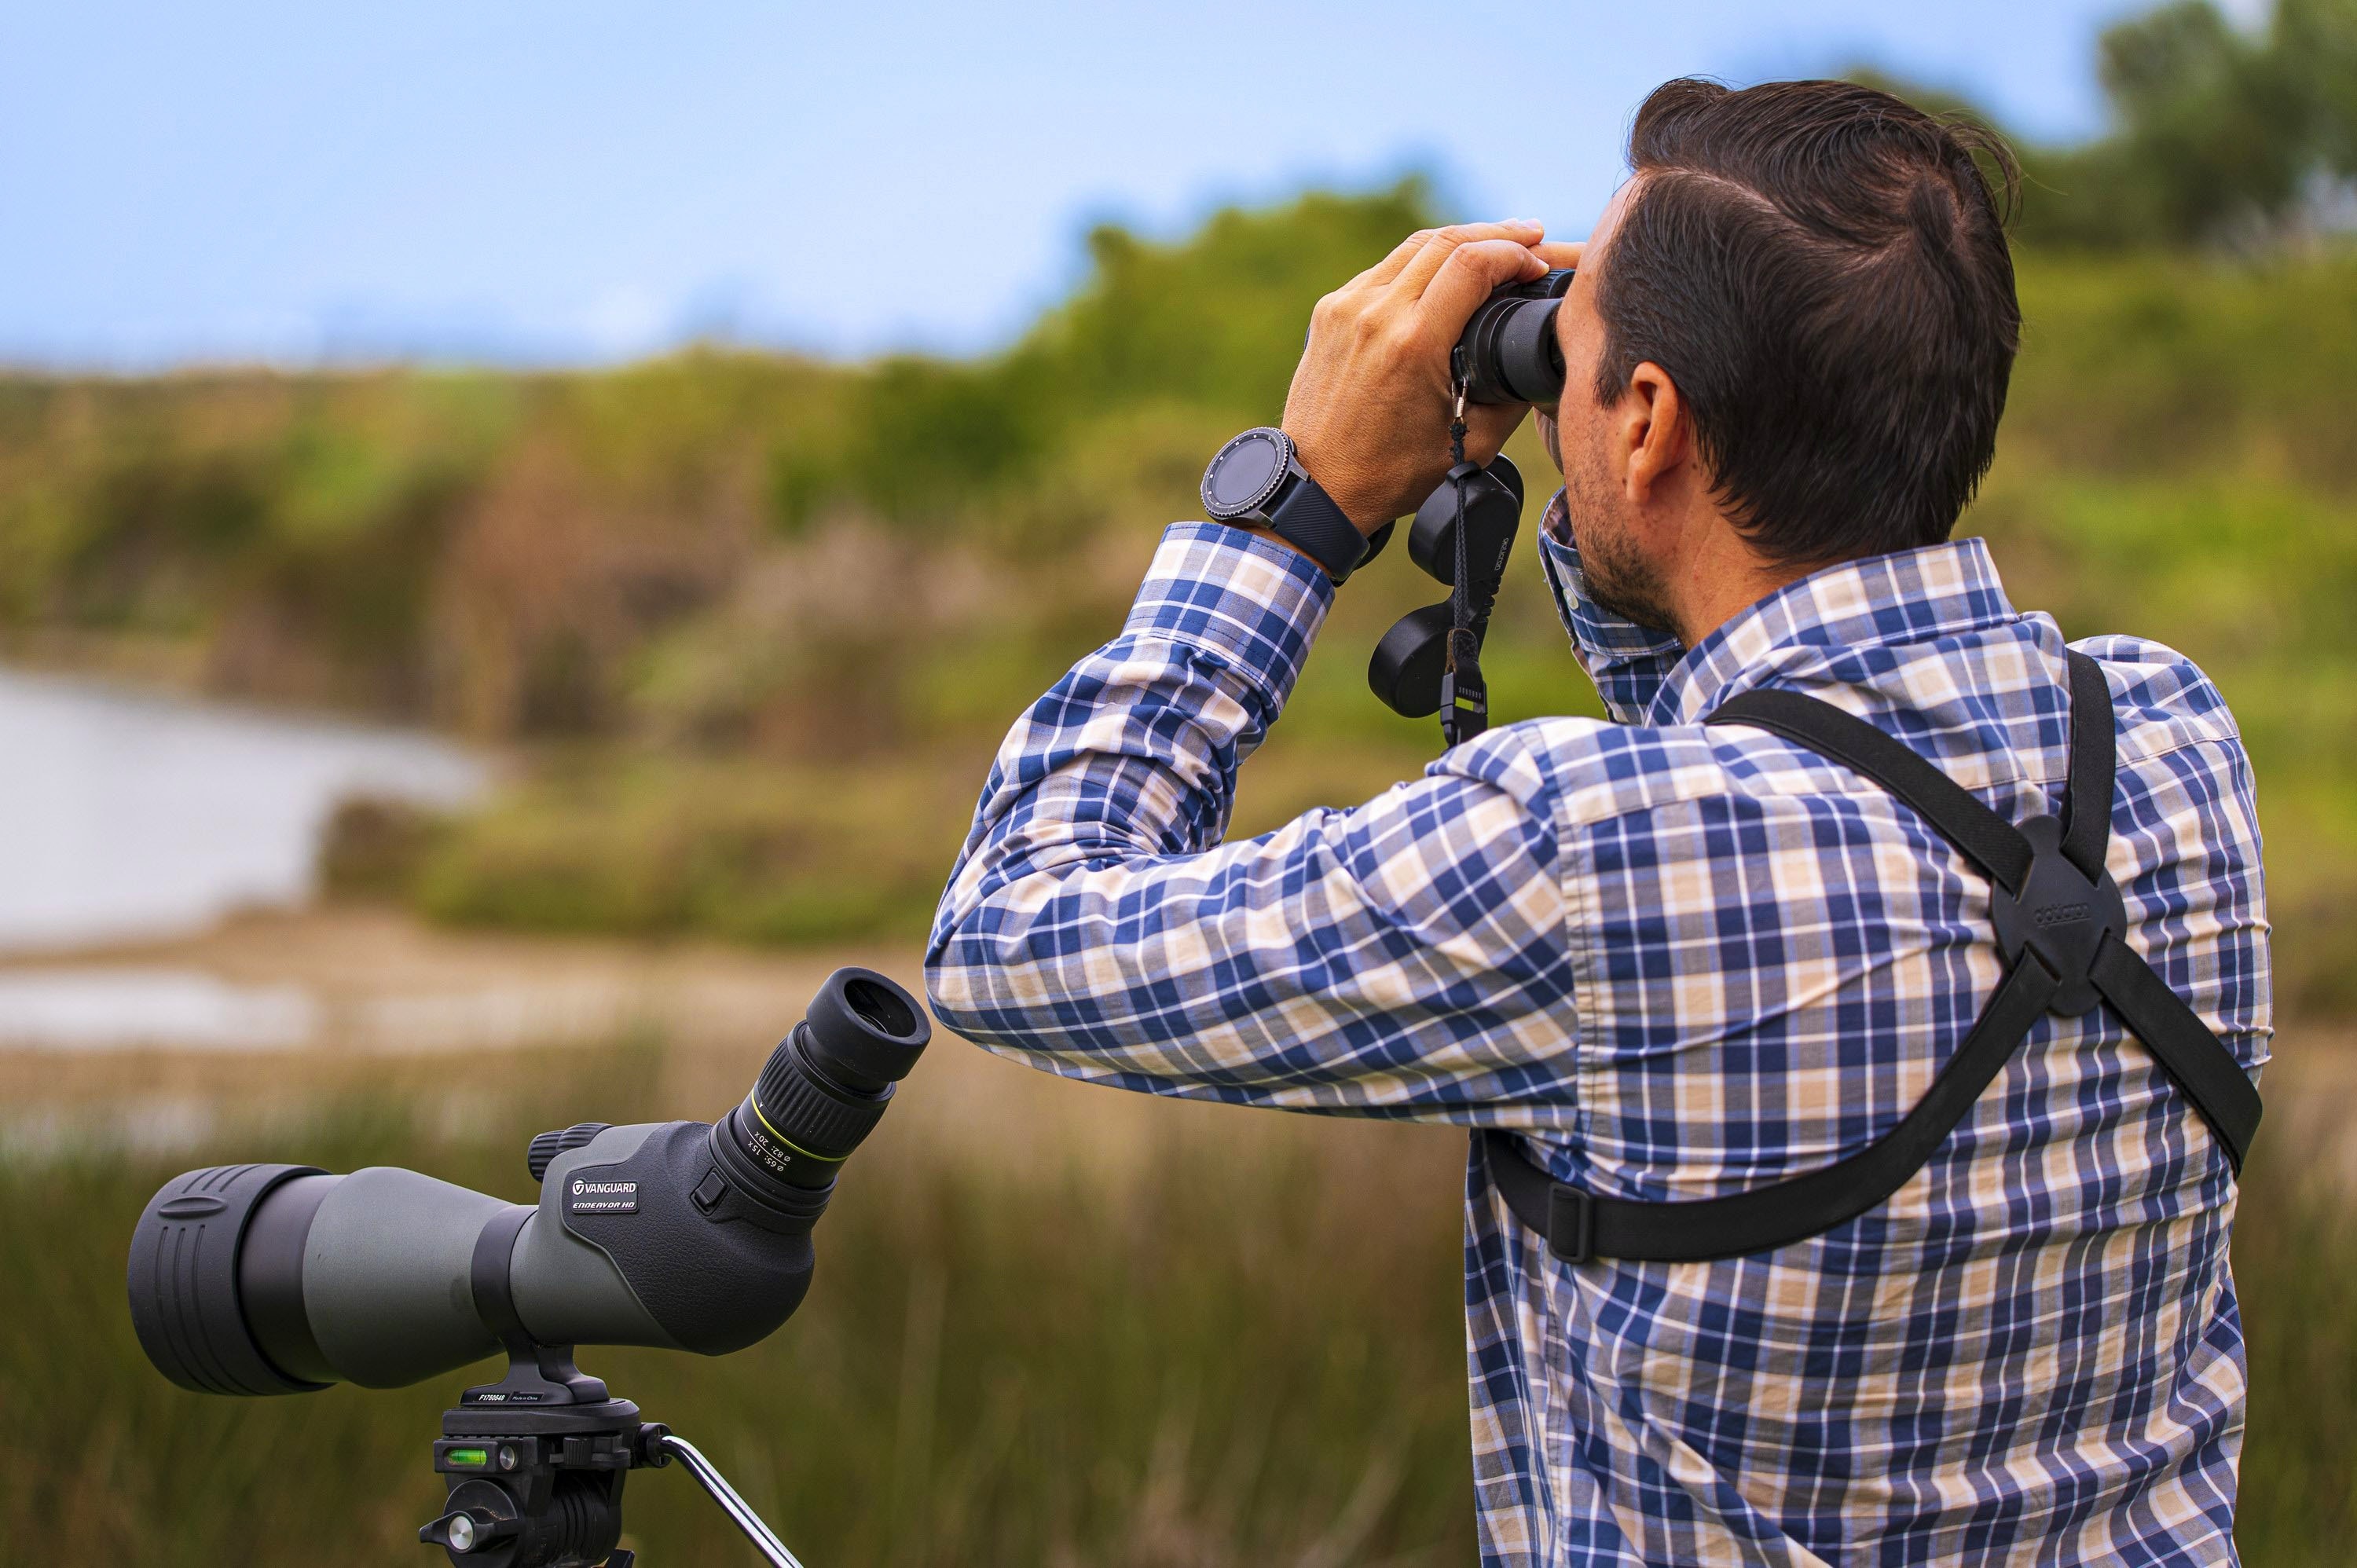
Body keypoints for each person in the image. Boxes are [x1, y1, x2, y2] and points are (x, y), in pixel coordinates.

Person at [926, 77, 2268, 1566]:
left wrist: (1296, 506)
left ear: (1649, 421)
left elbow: (1008, 936)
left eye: (1572, 356)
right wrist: (1617, 454)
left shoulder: (1568, 850)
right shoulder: (2166, 736)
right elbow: (1764, 754)